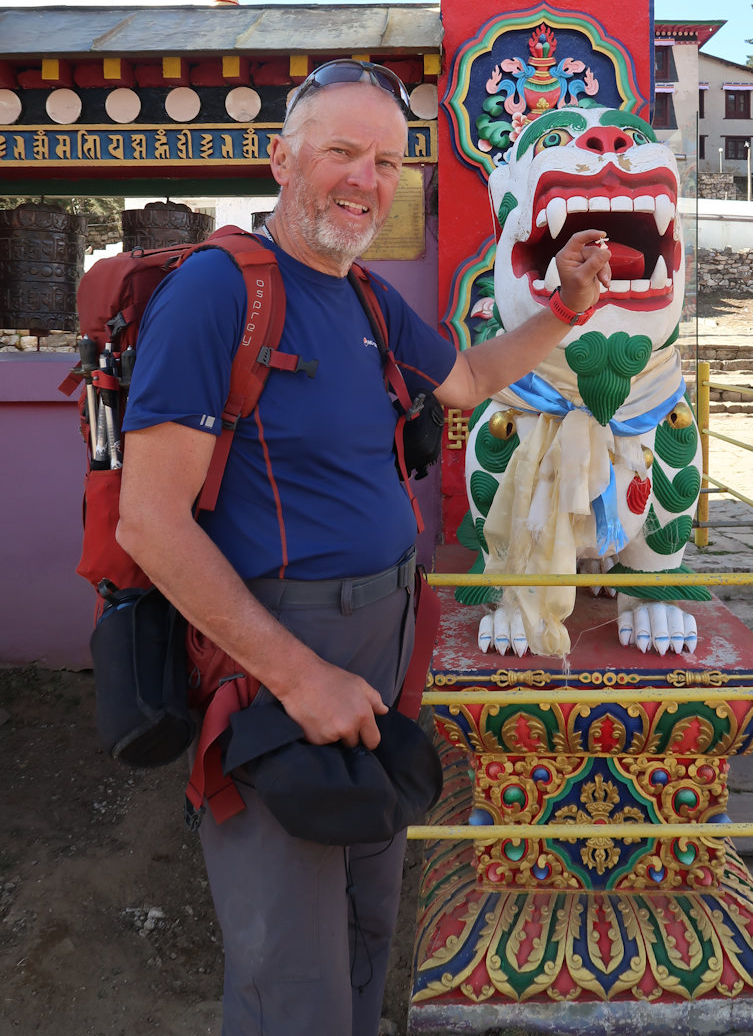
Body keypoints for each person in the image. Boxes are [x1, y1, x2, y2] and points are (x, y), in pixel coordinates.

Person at [116, 59, 611, 1036]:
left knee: (366, 904)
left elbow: (466, 380)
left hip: (383, 641)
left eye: (385, 161)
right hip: (275, 651)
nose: (364, 179)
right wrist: (299, 677)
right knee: (288, 948)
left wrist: (567, 305)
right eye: (341, 151)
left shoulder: (369, 301)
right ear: (281, 160)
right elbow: (150, 521)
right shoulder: (219, 294)